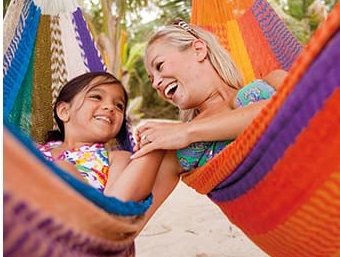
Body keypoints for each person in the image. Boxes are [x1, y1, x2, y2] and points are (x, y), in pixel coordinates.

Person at [126, 20, 288, 219]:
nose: (157, 83)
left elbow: (292, 107)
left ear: (198, 50)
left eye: (160, 66)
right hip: (294, 223)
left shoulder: (273, 81)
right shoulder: (179, 151)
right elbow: (130, 217)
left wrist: (187, 132)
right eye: (151, 79)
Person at [38, 72, 163, 201]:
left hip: (71, 215)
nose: (110, 107)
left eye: (119, 106)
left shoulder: (116, 159)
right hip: (23, 208)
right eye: (96, 97)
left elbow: (115, 204)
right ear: (64, 111)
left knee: (64, 169)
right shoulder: (35, 150)